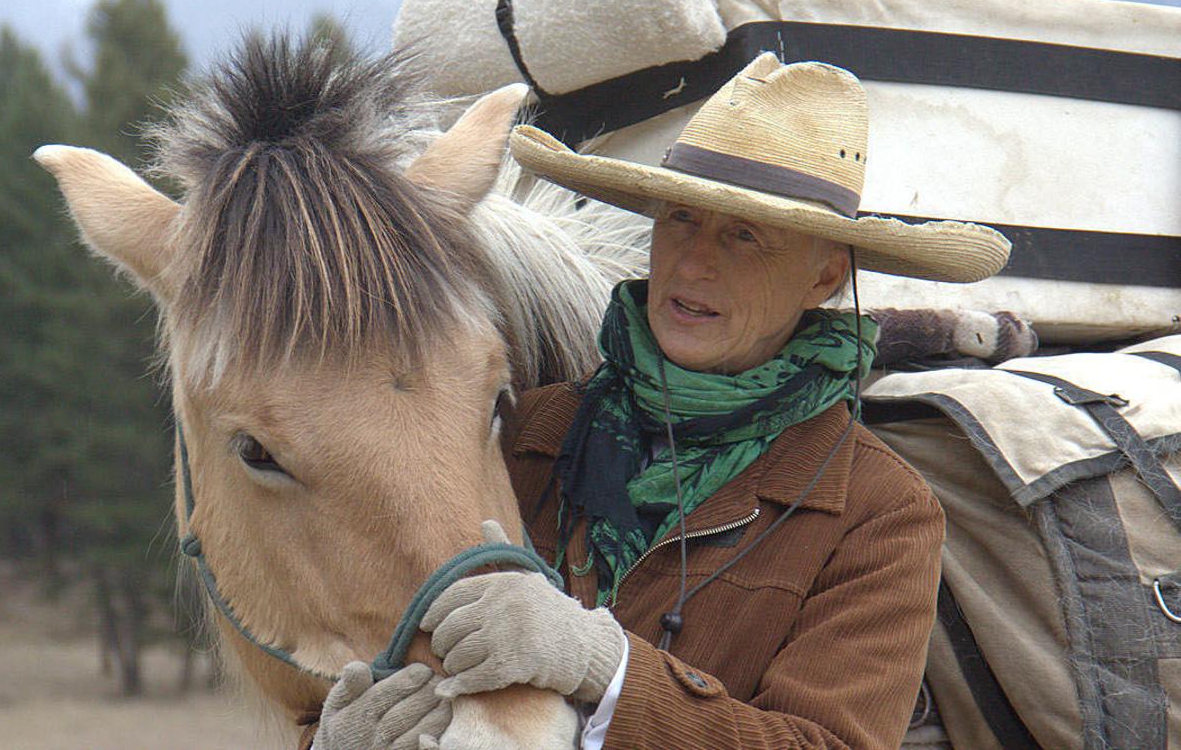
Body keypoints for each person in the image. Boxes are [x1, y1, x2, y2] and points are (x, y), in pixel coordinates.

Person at [308, 55, 1011, 749]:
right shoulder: (520, 431)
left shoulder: (878, 510)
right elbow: (353, 638)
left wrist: (604, 669)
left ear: (824, 277)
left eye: (743, 235)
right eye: (680, 218)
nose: (693, 261)